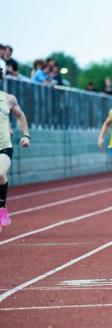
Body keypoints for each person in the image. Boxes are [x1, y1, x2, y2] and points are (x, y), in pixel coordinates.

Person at [0, 67, 30, 232]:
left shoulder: (8, 99)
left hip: (3, 146)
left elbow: (20, 116)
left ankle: (1, 208)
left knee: (0, 174)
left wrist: (26, 135)